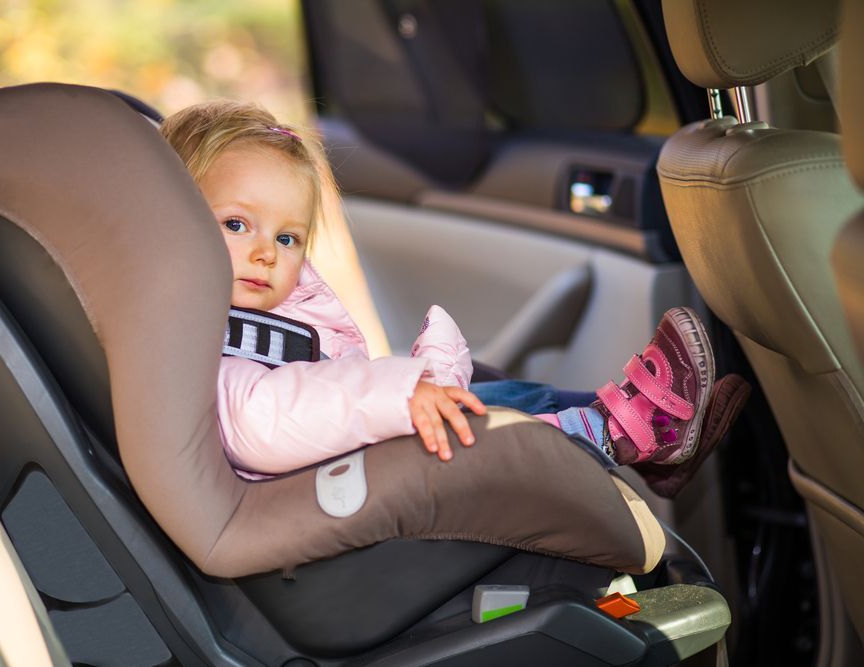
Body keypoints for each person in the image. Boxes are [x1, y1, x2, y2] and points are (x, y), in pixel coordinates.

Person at [159, 100, 749, 498]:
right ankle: (622, 431)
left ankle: (642, 432)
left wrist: (399, 389)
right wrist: (397, 392)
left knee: (496, 393)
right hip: (343, 486)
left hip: (351, 445)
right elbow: (267, 417)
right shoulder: (203, 347)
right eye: (236, 225)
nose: (267, 253)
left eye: (288, 238)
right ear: (170, 222)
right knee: (489, 428)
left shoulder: (242, 321)